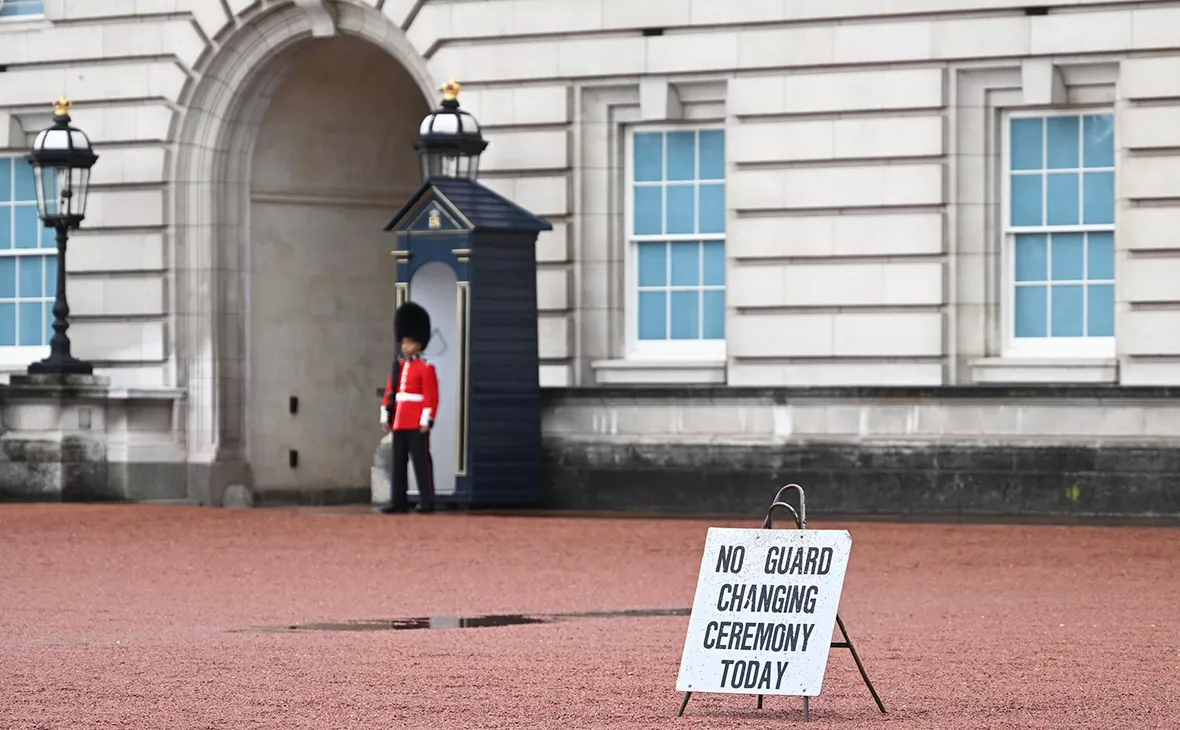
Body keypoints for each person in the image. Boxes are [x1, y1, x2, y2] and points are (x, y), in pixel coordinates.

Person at [379, 301, 439, 514]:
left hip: (415, 421)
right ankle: (398, 500)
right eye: (403, 341)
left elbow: (431, 397)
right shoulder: (400, 367)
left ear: (419, 342)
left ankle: (427, 500)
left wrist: (426, 419)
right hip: (399, 420)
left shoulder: (426, 368)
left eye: (409, 341)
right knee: (398, 462)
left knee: (421, 461)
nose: (404, 346)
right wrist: (386, 414)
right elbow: (390, 391)